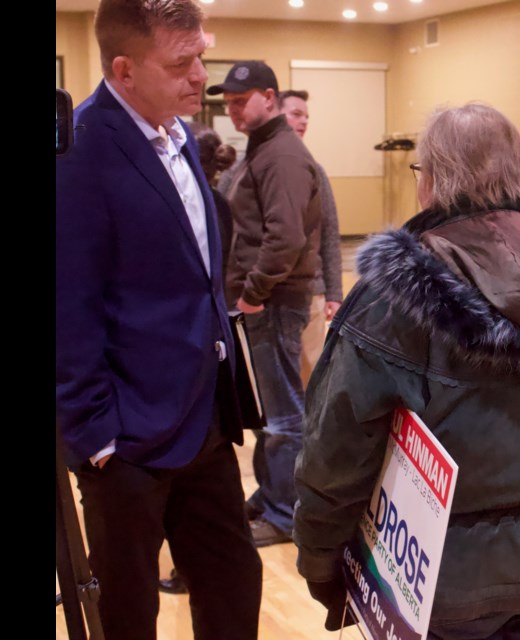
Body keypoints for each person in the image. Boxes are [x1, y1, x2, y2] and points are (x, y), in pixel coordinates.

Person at [294, 103, 520, 639]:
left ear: (430, 179)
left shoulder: (397, 290)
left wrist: (318, 556)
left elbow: (337, 446)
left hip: (445, 579)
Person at [55, 1, 262, 637]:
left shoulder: (177, 136)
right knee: (129, 611)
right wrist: (97, 435)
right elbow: (68, 301)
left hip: (203, 418)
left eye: (201, 54)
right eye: (182, 63)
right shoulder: (81, 153)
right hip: (127, 438)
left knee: (233, 579)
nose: (202, 75)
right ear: (123, 69)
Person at [208, 60, 324, 547]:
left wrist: (253, 294)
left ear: (270, 98)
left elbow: (285, 238)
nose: (233, 110)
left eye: (243, 100)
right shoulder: (261, 150)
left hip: (274, 302)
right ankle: (270, 496)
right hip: (262, 302)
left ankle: (284, 515)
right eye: (229, 102)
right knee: (267, 412)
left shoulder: (281, 155)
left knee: (282, 416)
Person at [158, 121, 239, 597]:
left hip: (197, 385)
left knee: (226, 563)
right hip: (178, 387)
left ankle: (185, 570)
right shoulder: (220, 205)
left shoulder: (214, 208)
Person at [277, 89, 344, 386]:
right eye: (296, 114)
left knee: (313, 379)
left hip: (311, 295)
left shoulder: (315, 172)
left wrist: (334, 293)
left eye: (306, 116)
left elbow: (330, 233)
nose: (303, 121)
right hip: (265, 297)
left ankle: (313, 434)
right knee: (275, 383)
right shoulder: (247, 170)